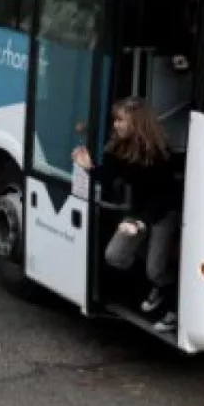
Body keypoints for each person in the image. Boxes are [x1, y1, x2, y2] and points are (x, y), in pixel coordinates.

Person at [70, 97, 180, 332]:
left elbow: (164, 197)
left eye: (121, 120)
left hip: (163, 213)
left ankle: (172, 308)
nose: (116, 125)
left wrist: (141, 223)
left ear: (137, 123)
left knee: (156, 270)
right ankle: (153, 277)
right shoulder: (117, 148)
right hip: (139, 211)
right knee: (115, 256)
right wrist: (88, 167)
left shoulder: (160, 153)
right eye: (115, 120)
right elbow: (107, 178)